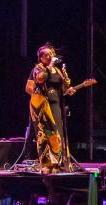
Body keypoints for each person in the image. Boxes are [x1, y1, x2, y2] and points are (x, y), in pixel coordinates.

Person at [25, 44, 83, 173]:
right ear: (40, 58)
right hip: (43, 106)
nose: (50, 56)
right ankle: (48, 163)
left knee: (58, 133)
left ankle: (60, 163)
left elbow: (63, 88)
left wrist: (69, 90)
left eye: (51, 54)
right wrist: (50, 66)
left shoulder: (57, 71)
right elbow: (40, 79)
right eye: (46, 54)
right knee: (47, 133)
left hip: (56, 105)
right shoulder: (38, 68)